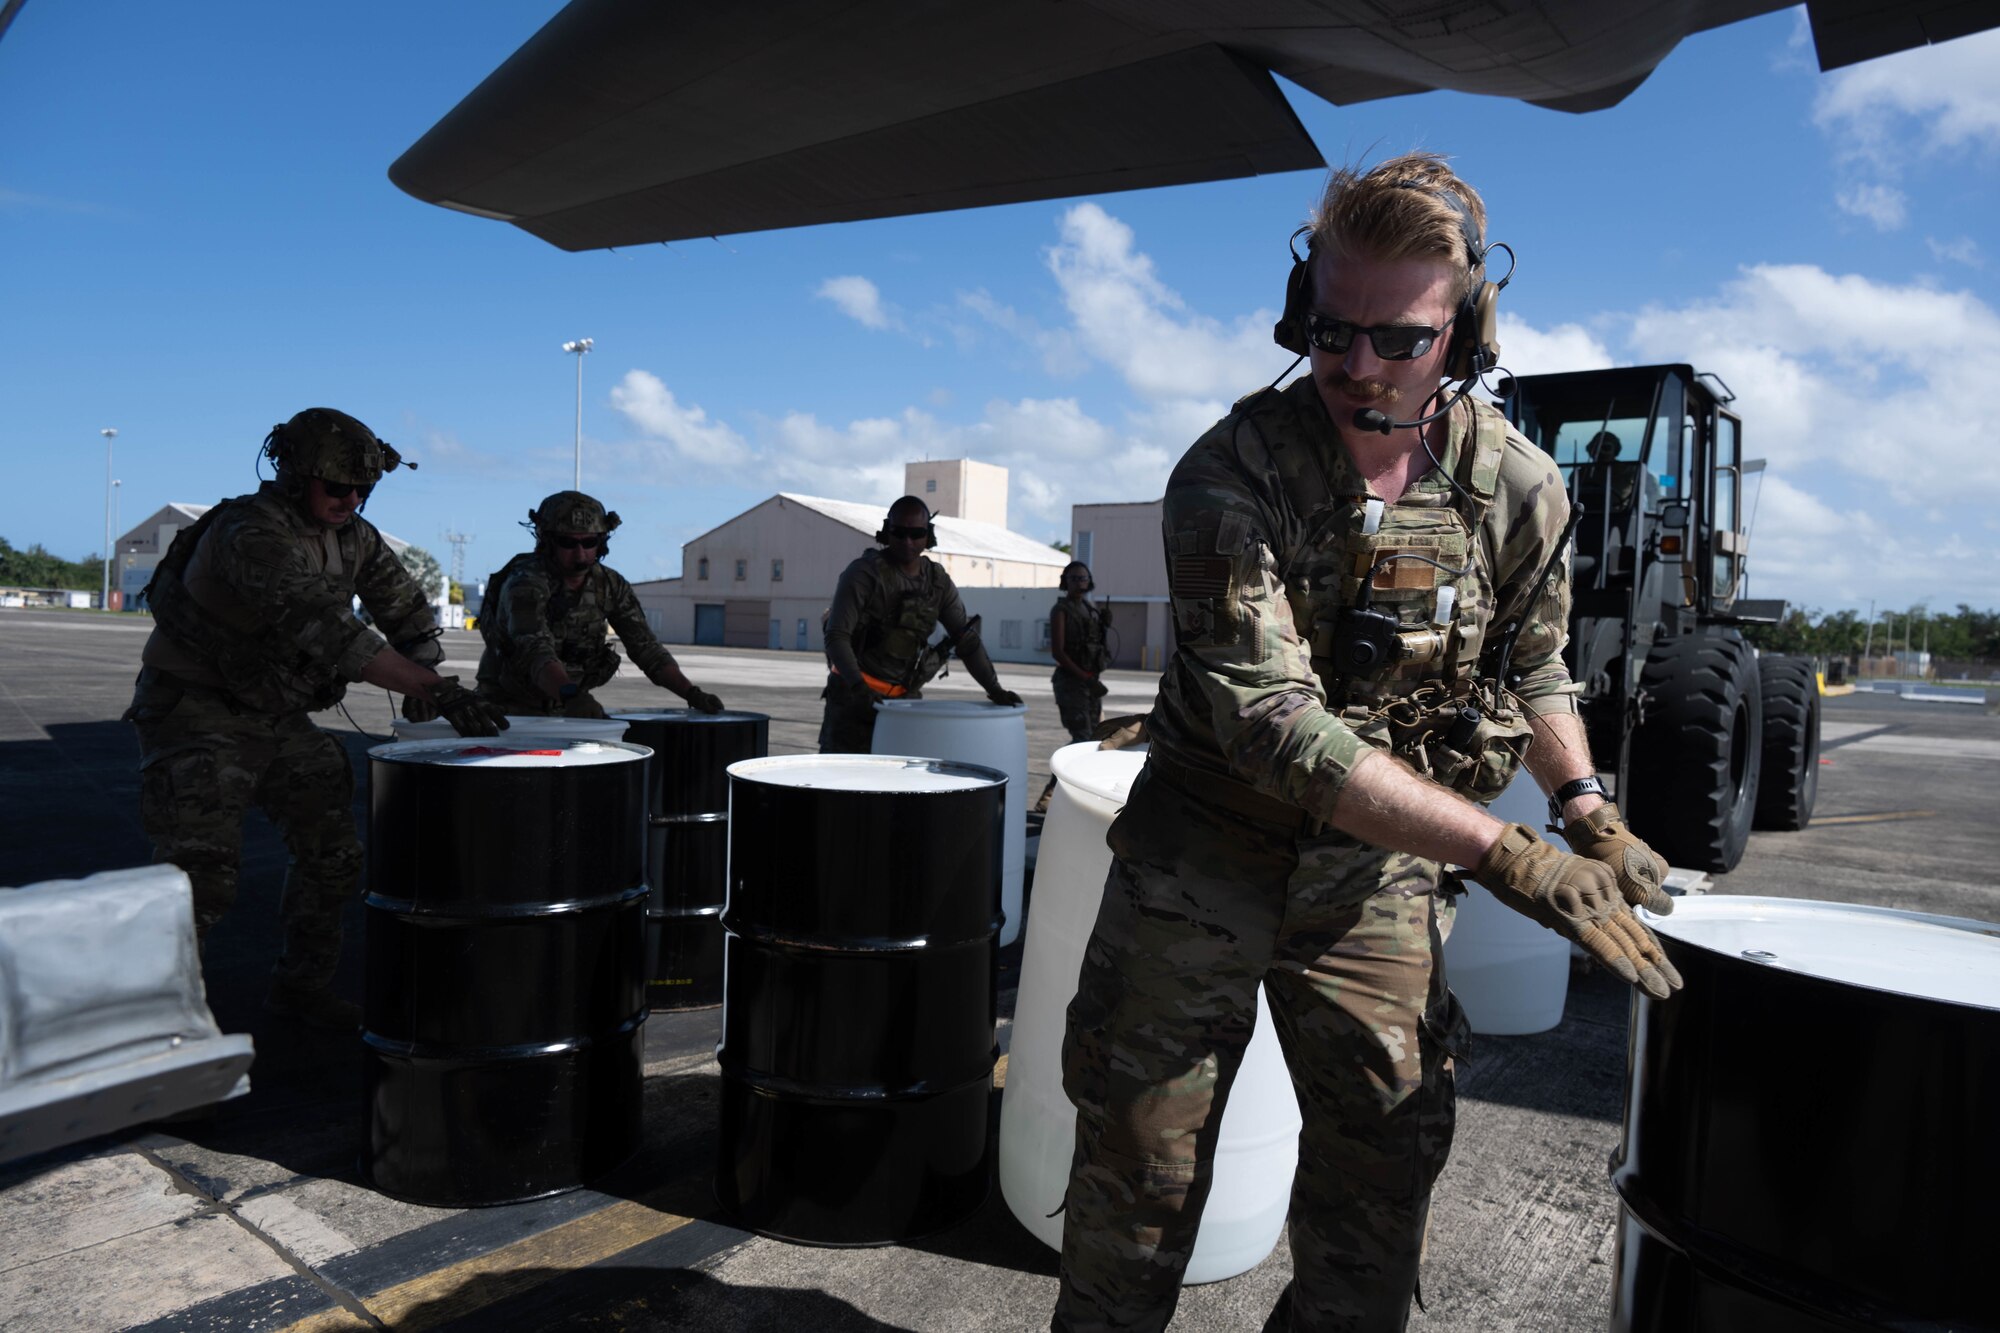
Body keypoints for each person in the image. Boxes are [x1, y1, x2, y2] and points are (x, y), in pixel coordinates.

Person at [1052, 154, 1684, 1332]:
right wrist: (1512, 855)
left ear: (1464, 332)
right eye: (1331, 330)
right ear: (1302, 311)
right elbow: (1271, 724)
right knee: (1138, 1177)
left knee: (1382, 1177)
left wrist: (1586, 804)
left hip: (1375, 878)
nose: (1354, 366)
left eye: (1396, 339)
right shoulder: (1227, 474)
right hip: (1205, 850)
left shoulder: (1518, 490)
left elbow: (1533, 666)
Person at [125, 408, 505, 1030]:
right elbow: (326, 629)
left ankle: (301, 991)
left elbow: (405, 609)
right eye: (337, 487)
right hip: (195, 713)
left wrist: (422, 661)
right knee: (198, 879)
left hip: (276, 716)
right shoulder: (251, 532)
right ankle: (153, 1035)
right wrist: (436, 690)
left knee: (334, 857)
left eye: (364, 489)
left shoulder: (354, 535)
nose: (351, 499)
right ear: (296, 474)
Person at [475, 491, 725, 718]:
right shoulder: (525, 583)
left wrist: (692, 694)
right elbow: (533, 650)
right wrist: (571, 698)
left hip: (567, 702)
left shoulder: (609, 585)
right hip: (507, 706)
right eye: (568, 543)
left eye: (589, 542)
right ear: (547, 541)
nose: (580, 553)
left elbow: (646, 649)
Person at [818, 496, 1022, 753]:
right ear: (886, 532)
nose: (908, 542)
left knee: (901, 786)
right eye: (899, 533)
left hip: (903, 703)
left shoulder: (937, 582)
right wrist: (859, 689)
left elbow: (966, 640)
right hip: (853, 700)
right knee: (843, 787)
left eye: (916, 534)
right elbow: (837, 636)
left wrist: (995, 690)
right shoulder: (864, 574)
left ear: (928, 535)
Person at [1049, 561, 1113, 743]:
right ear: (1065, 581)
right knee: (1082, 737)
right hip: (1071, 683)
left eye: (1083, 578)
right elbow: (1058, 653)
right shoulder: (1060, 611)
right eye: (1074, 578)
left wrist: (1104, 626)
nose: (1079, 583)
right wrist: (1086, 678)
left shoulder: (1089, 609)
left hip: (1090, 681)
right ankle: (1061, 772)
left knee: (1094, 736)